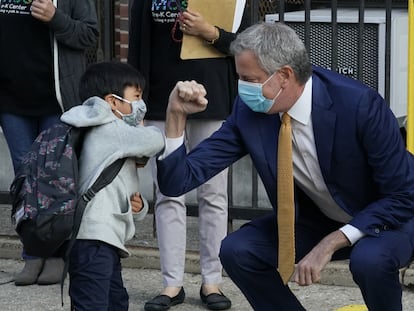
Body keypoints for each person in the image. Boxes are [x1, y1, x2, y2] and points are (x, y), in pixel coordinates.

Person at [156, 22, 414, 311]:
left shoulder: (358, 105)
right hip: (318, 219)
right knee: (238, 250)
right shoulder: (250, 111)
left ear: (284, 76)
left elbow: (403, 196)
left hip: (390, 218)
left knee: (369, 260)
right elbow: (176, 182)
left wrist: (332, 242)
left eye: (248, 78)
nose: (242, 87)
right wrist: (175, 116)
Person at [128, 1, 250, 310]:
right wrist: (137, 106)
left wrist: (210, 33)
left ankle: (213, 281)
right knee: (168, 193)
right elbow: (138, 46)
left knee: (214, 193)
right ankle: (172, 284)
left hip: (215, 96)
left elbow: (250, 45)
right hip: (160, 99)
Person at [0, 0, 99, 286]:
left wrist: (56, 18)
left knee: (54, 179)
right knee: (24, 178)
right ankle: (32, 253)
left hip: (55, 99)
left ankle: (56, 254)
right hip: (10, 99)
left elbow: (89, 35)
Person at [60, 61, 165, 310]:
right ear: (113, 101)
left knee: (114, 302)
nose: (140, 104)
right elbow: (156, 140)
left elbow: (117, 188)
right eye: (136, 96)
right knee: (94, 304)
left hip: (101, 238)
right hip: (93, 238)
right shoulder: (109, 128)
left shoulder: (98, 129)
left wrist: (138, 207)